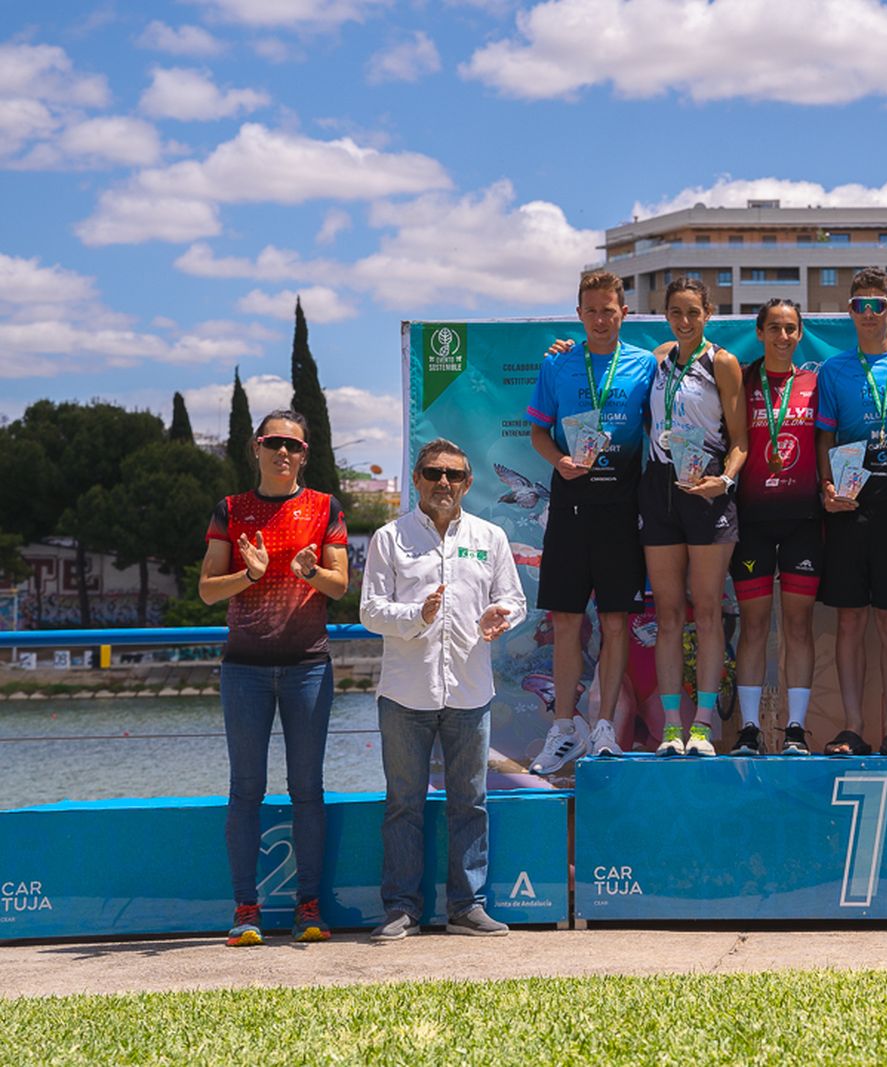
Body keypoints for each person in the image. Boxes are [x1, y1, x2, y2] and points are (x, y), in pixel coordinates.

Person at [360, 439, 528, 941]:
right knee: (403, 805)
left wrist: (504, 616)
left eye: (453, 475)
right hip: (404, 694)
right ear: (416, 479)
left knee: (470, 803)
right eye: (433, 473)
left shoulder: (490, 536)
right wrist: (418, 615)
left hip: (470, 692)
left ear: (468, 483)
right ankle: (401, 910)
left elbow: (513, 600)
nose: (443, 483)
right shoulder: (389, 538)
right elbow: (369, 611)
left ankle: (467, 907)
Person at [198, 409, 349, 947]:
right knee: (246, 791)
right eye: (273, 443)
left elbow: (338, 587)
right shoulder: (231, 510)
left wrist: (310, 571)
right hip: (244, 671)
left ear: (305, 454)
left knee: (308, 791)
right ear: (256, 449)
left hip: (308, 666)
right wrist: (252, 574)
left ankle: (309, 907)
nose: (283, 452)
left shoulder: (325, 508)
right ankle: (246, 909)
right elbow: (207, 590)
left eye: (293, 445)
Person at [525, 271, 655, 773]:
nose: (601, 319)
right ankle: (563, 729)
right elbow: (538, 431)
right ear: (579, 314)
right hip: (571, 505)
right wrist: (559, 460)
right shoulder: (558, 364)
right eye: (592, 310)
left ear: (624, 313)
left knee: (617, 620)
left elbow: (676, 360)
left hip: (622, 509)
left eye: (610, 310)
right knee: (566, 621)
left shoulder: (645, 364)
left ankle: (603, 728)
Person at [815, 267, 887, 755]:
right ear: (849, 312)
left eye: (876, 305)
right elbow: (824, 435)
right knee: (849, 622)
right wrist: (825, 485)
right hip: (848, 504)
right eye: (859, 305)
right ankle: (853, 727)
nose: (867, 313)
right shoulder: (833, 369)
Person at [641, 277, 748, 757]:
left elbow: (741, 439)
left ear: (708, 313)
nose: (684, 322)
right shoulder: (661, 354)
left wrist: (722, 481)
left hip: (706, 491)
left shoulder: (721, 363)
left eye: (693, 313)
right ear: (665, 315)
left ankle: (702, 726)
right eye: (676, 313)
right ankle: (671, 727)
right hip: (660, 489)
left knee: (706, 612)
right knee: (667, 614)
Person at [729, 299, 821, 756]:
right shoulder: (741, 379)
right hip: (753, 522)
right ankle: (748, 729)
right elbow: (669, 352)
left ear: (800, 334)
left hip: (804, 520)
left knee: (799, 626)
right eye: (774, 329)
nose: (783, 337)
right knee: (754, 626)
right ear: (760, 332)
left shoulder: (815, 382)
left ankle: (796, 730)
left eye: (790, 329)